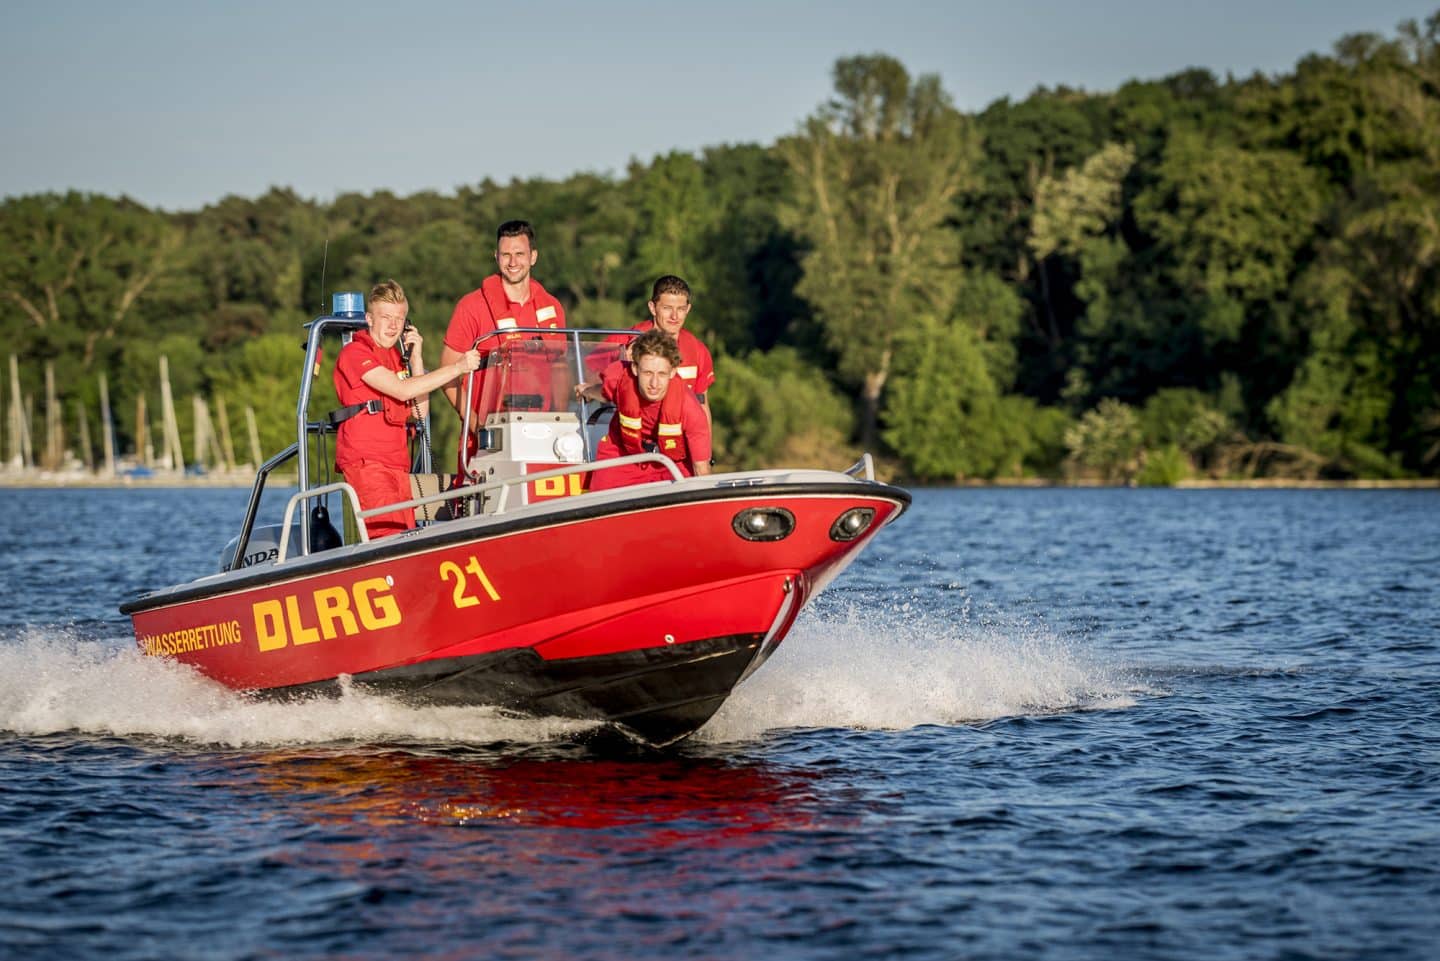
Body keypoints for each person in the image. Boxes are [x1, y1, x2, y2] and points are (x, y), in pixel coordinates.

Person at [334, 280, 481, 538]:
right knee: (389, 536)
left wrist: (416, 358)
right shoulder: (355, 354)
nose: (393, 325)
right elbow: (402, 391)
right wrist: (457, 368)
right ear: (369, 319)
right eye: (386, 318)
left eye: (399, 319)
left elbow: (420, 411)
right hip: (369, 465)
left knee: (406, 533)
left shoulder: (397, 359)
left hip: (397, 467)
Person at [439, 220, 567, 422]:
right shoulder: (471, 306)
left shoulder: (553, 306)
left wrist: (562, 419)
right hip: (489, 434)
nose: (513, 262)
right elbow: (446, 374)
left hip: (544, 430)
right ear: (496, 257)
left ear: (533, 257)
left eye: (519, 254)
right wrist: (476, 426)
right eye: (506, 255)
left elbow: (560, 369)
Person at [575, 328, 712, 490]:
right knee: (600, 502)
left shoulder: (690, 409)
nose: (654, 384)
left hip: (671, 463)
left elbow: (701, 469)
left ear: (672, 372)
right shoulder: (619, 380)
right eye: (647, 373)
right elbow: (605, 392)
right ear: (634, 369)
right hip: (623, 455)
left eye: (661, 374)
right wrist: (586, 391)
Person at [590, 275, 715, 426]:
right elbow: (585, 377)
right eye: (667, 308)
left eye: (680, 309)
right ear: (652, 307)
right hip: (629, 436)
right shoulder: (623, 341)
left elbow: (702, 405)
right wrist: (622, 366)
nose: (674, 316)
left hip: (676, 440)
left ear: (688, 309)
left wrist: (706, 449)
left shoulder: (698, 350)